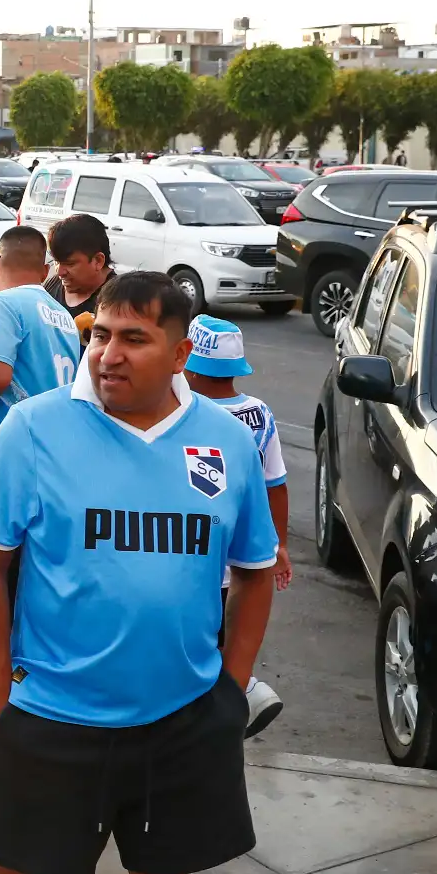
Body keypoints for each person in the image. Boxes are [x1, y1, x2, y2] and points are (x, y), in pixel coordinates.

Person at [0, 273, 277, 874]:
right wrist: (0, 698)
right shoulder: (34, 431)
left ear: (179, 350)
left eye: (132, 338)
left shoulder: (225, 441)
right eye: (99, 334)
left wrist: (231, 690)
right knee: (34, 870)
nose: (108, 352)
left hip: (182, 713)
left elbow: (254, 571)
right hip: (58, 708)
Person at [182, 315, 290, 737]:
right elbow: (275, 485)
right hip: (243, 559)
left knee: (197, 639)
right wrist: (278, 545)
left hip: (194, 554)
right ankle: (242, 689)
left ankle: (240, 694)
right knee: (227, 633)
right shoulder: (259, 414)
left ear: (189, 364)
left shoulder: (189, 415)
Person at [0, 225, 82, 459]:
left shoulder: (1, 303)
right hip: (56, 445)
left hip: (17, 449)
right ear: (45, 272)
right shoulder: (64, 316)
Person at [41, 213, 116, 317]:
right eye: (57, 262)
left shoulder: (118, 302)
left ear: (98, 261)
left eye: (69, 264)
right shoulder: (53, 286)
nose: (59, 272)